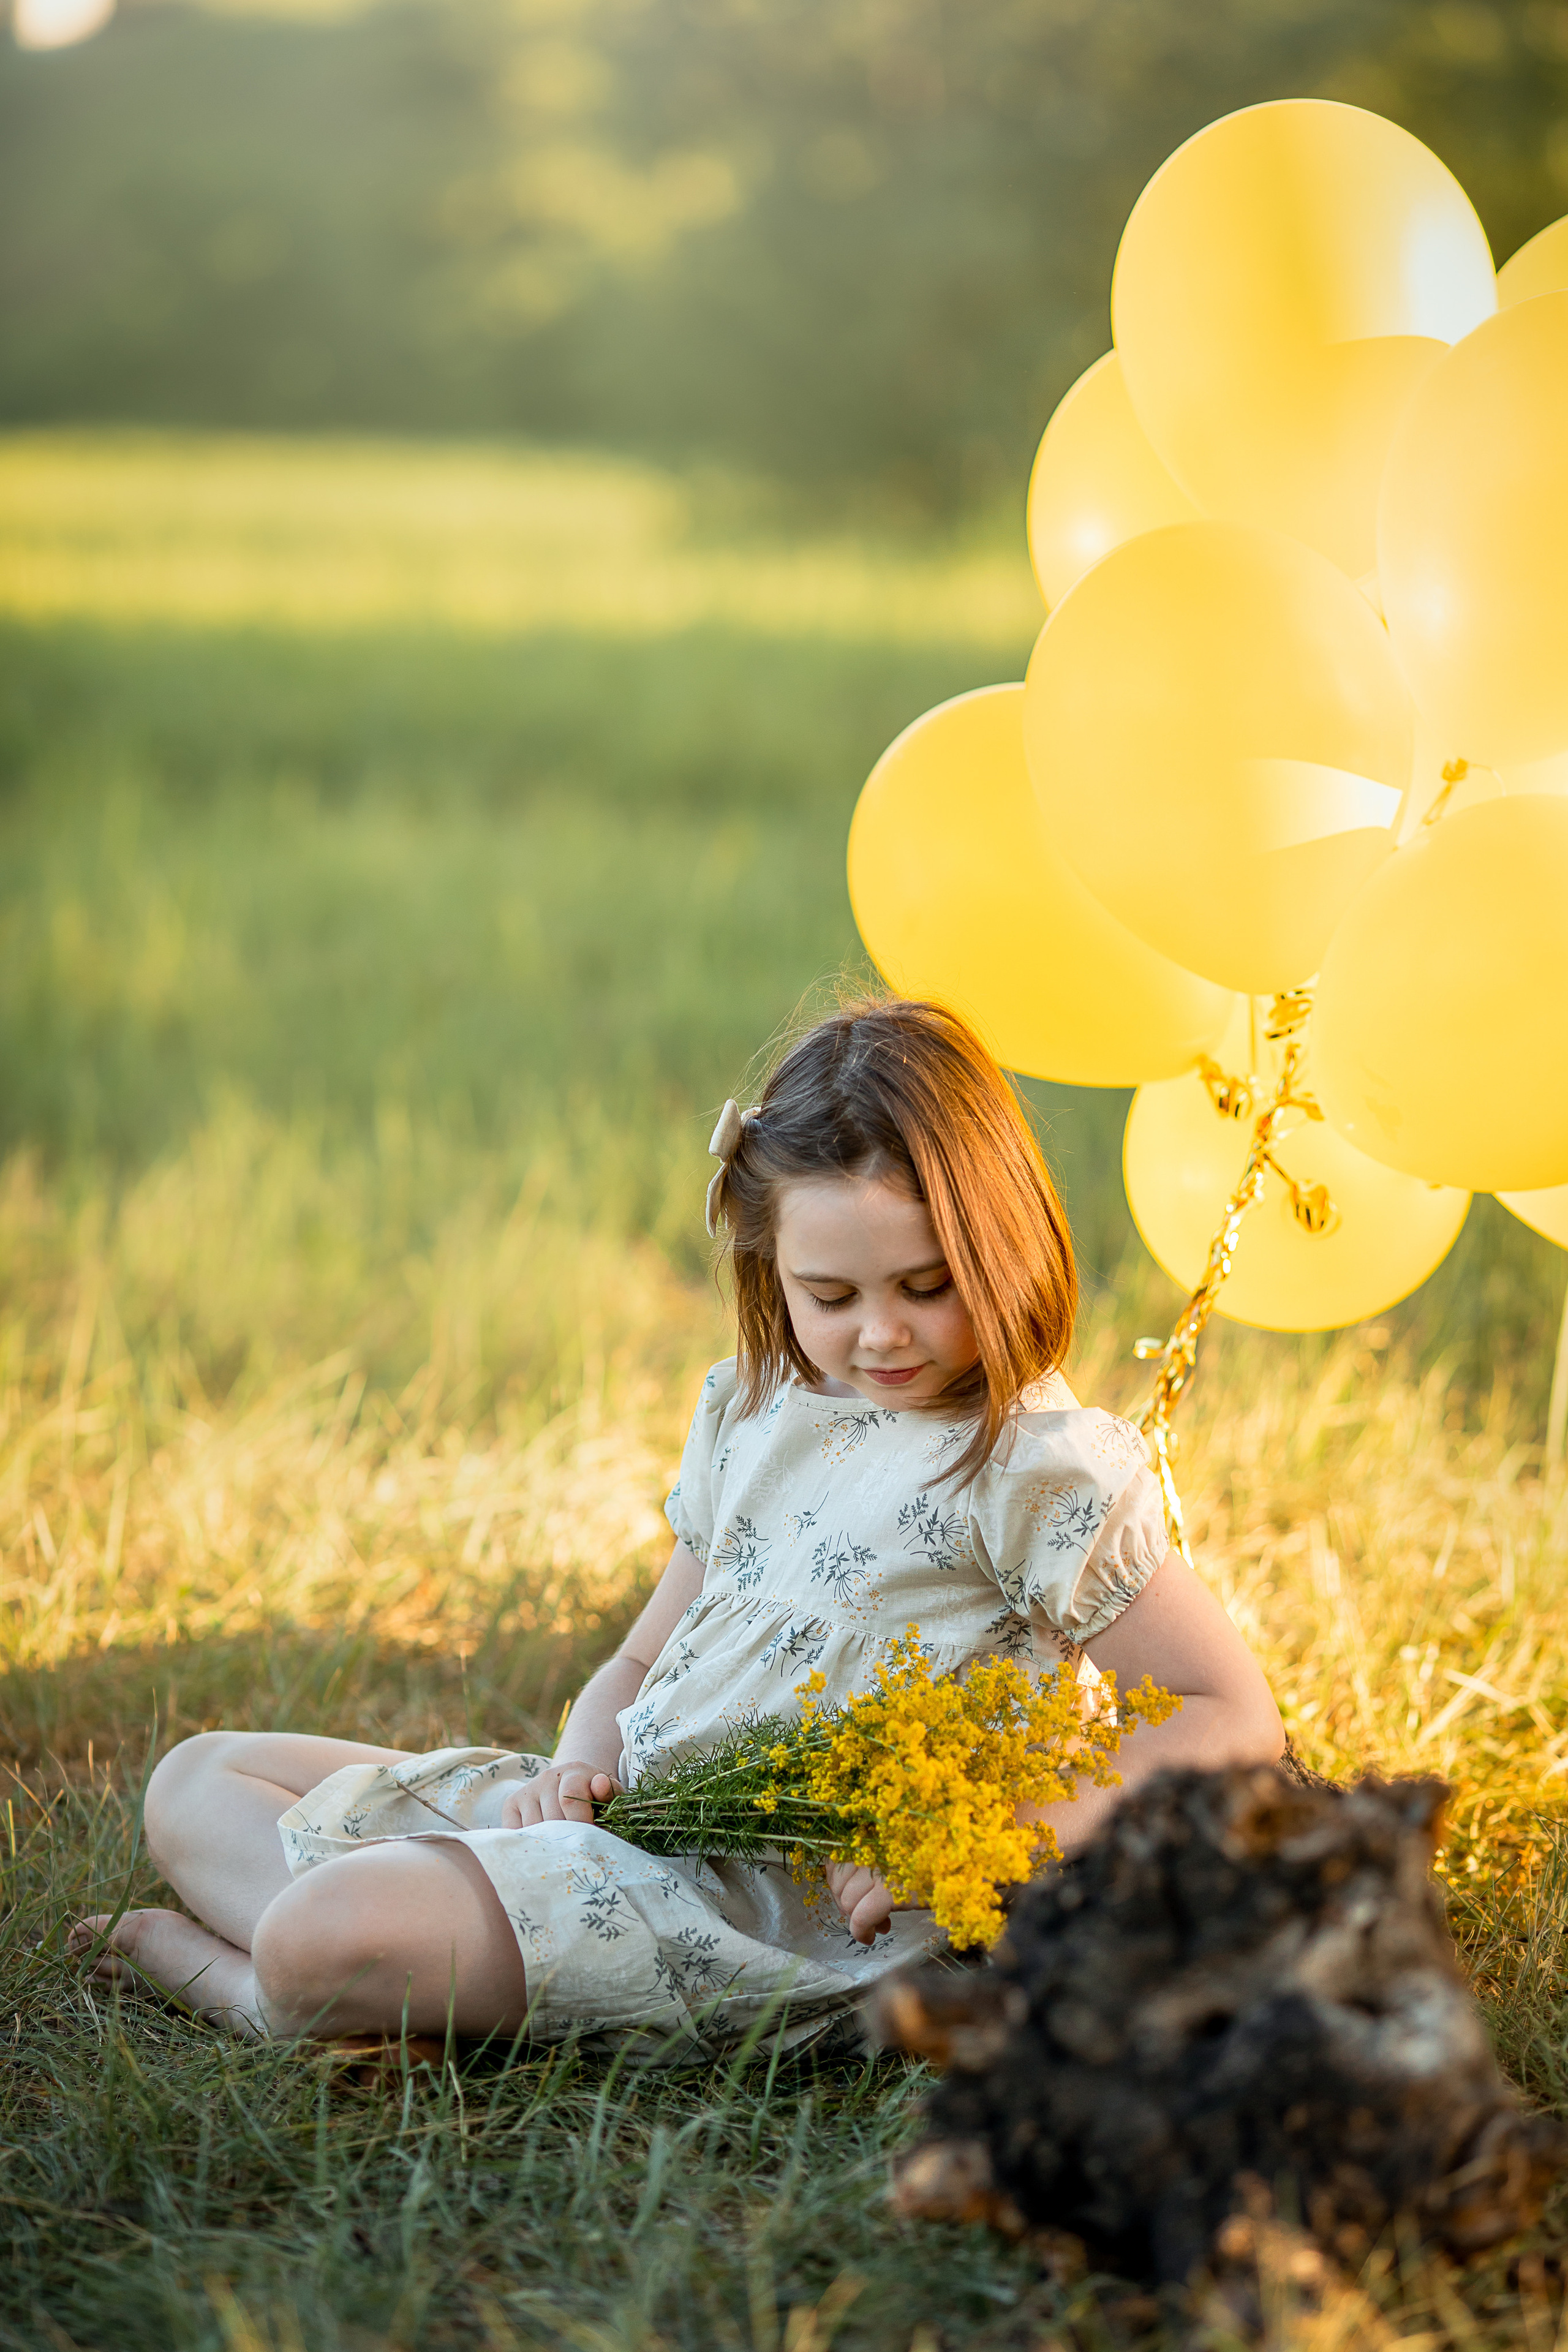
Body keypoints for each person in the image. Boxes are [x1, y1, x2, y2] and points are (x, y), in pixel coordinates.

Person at [73, 998, 1283, 2059]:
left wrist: (992, 1836)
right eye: (832, 1295)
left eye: (926, 1285)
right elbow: (646, 1657)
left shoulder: (1035, 1468)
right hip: (629, 1827)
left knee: (313, 1933)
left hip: (750, 1909)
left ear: (1003, 1243)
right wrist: (570, 1765)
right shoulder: (756, 1409)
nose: (882, 1336)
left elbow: (1227, 1710)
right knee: (196, 1780)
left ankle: (254, 1987)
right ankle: (401, 1963)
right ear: (772, 1267)